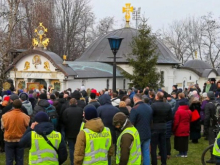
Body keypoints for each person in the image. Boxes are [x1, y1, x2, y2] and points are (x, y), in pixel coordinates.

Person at [1, 99, 30, 165]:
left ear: (12, 106)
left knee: (9, 159)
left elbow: (2, 128)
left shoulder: (5, 116)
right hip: (21, 139)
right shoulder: (25, 116)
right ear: (21, 106)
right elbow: (27, 127)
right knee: (20, 159)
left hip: (9, 139)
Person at [129, 94, 152, 165]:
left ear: (135, 99)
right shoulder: (149, 107)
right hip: (147, 132)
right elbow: (151, 121)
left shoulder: (135, 109)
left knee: (136, 153)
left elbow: (131, 123)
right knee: (146, 152)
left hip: (138, 134)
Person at [151, 92, 172, 165]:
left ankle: (154, 162)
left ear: (157, 97)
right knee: (163, 145)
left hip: (155, 127)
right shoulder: (167, 105)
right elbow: (170, 117)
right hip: (163, 126)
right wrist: (164, 120)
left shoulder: (153, 105)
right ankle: (164, 162)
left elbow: (151, 116)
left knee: (153, 146)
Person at [62, 98, 83, 165]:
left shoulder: (66, 111)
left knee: (71, 148)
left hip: (69, 131)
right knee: (79, 148)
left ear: (69, 103)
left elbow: (64, 121)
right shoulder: (80, 110)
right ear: (76, 103)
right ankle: (79, 161)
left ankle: (72, 162)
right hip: (79, 131)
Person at [204, 91, 218, 163]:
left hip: (211, 126)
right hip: (218, 125)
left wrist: (205, 127)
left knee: (212, 142)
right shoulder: (218, 103)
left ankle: (213, 158)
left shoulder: (208, 105)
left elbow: (207, 117)